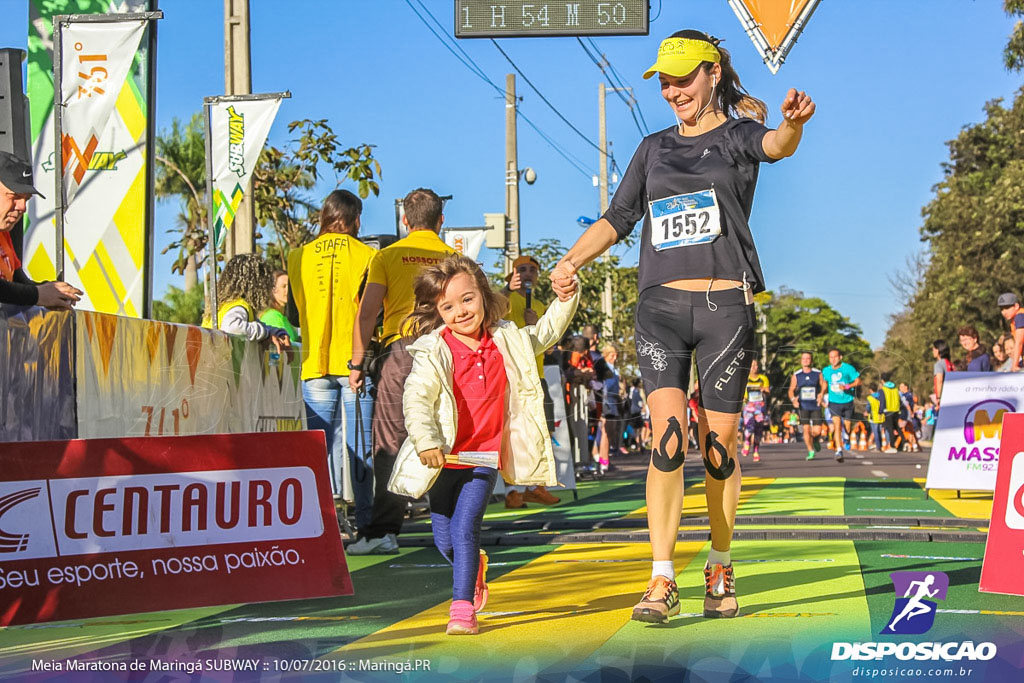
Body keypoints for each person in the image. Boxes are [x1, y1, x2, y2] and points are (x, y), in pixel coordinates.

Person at [549, 29, 815, 622]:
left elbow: (777, 146)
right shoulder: (652, 149)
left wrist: (794, 124)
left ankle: (720, 565)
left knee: (717, 448)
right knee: (666, 441)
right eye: (664, 82)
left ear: (712, 73)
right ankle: (661, 578)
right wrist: (569, 261)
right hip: (659, 311)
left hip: (725, 310)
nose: (672, 91)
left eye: (682, 78)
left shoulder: (739, 135)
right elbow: (618, 217)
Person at [393, 254, 578, 635]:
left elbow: (545, 333)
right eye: (448, 306)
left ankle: (461, 608)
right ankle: (472, 566)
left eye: (467, 299)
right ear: (437, 311)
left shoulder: (506, 338)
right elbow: (416, 399)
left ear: (483, 294)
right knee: (445, 539)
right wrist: (427, 440)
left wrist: (566, 299)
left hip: (482, 458)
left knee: (465, 531)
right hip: (443, 458)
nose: (460, 311)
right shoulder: (433, 349)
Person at [348, 188, 455, 555]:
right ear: (441, 220)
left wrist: (357, 362)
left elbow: (367, 313)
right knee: (446, 432)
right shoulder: (453, 258)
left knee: (390, 441)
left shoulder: (387, 255)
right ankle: (453, 522)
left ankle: (383, 531)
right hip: (446, 350)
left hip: (401, 351)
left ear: (404, 220)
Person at [288, 189, 377, 530]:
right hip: (356, 365)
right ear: (355, 219)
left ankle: (322, 527)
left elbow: (295, 316)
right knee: (361, 450)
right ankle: (366, 526)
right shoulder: (366, 255)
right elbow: (372, 314)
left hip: (314, 365)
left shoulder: (297, 256)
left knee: (317, 451)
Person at [502, 253, 560, 507]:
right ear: (512, 274)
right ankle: (512, 491)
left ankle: (536, 486)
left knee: (540, 430)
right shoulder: (503, 298)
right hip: (509, 375)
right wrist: (506, 290)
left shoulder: (538, 305)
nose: (526, 274)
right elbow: (489, 316)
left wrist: (536, 325)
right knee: (511, 434)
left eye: (531, 270)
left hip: (536, 376)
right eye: (521, 269)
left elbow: (549, 349)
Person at [0, 151, 82, 308]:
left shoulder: (4, 234)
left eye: (26, 199)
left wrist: (53, 291)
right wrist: (37, 295)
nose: (22, 207)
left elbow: (18, 282)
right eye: (14, 196)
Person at [205, 254, 290, 356]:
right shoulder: (240, 306)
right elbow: (232, 327)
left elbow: (258, 325)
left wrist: (277, 333)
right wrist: (265, 334)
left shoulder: (226, 306)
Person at [821, 349, 860, 463]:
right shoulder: (826, 370)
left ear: (840, 357)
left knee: (847, 427)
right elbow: (824, 383)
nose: (833, 359)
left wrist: (847, 387)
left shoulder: (848, 368)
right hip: (834, 402)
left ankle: (846, 439)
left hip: (848, 401)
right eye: (831, 357)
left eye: (835, 357)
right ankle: (839, 450)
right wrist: (821, 394)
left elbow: (858, 381)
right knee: (837, 425)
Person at [788, 351, 827, 460]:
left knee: (817, 431)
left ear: (812, 360)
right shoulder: (797, 375)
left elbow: (824, 385)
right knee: (806, 429)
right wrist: (793, 399)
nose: (805, 360)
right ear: (801, 361)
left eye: (808, 358)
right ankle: (810, 451)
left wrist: (821, 394)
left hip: (815, 405)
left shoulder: (817, 373)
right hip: (803, 405)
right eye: (803, 358)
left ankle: (815, 440)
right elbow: (791, 390)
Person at [741, 358, 769, 462]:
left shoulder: (763, 378)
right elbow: (741, 392)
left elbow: (767, 391)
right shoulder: (745, 378)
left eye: (756, 365)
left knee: (758, 430)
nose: (754, 368)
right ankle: (747, 442)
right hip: (748, 406)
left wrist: (764, 390)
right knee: (749, 426)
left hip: (759, 407)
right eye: (752, 365)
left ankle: (756, 451)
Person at [259, 270, 299, 342]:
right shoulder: (273, 316)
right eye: (283, 286)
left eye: (289, 287)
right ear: (273, 290)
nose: (287, 290)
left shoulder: (285, 318)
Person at [877, 373, 903, 454]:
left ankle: (892, 446)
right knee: (897, 428)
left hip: (887, 411)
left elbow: (882, 401)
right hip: (896, 410)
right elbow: (899, 399)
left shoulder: (883, 389)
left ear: (882, 380)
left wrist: (880, 411)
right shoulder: (895, 388)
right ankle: (905, 442)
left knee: (890, 429)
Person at [998, 292, 1024, 371]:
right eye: (1002, 309)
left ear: (1016, 306)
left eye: (1007, 308)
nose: (1004, 312)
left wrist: (1014, 365)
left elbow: (1019, 342)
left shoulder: (1020, 317)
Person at [898, 382, 921, 452]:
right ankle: (913, 445)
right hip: (907, 415)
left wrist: (911, 413)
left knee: (908, 430)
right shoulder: (907, 395)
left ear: (906, 387)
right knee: (909, 430)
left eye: (902, 386)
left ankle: (912, 445)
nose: (900, 388)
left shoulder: (907, 395)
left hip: (906, 415)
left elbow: (909, 405)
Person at [931, 339, 954, 409]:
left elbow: (939, 381)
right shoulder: (950, 363)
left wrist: (939, 398)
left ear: (938, 350)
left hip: (944, 397)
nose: (932, 351)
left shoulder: (939, 364)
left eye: (933, 349)